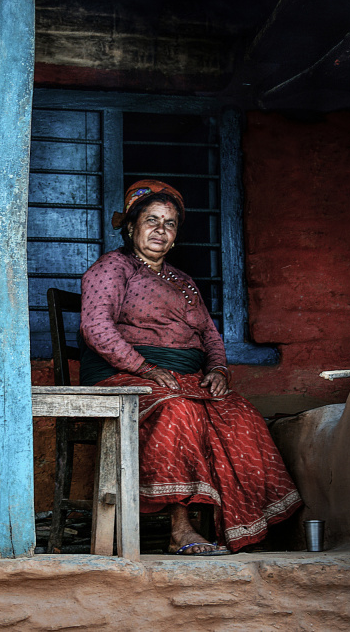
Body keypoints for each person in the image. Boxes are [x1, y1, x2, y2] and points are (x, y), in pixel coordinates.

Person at [79, 179, 301, 555]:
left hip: (185, 377)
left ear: (176, 234)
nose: (160, 231)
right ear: (131, 227)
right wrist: (145, 367)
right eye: (151, 221)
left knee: (241, 414)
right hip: (127, 376)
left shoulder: (183, 281)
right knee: (181, 411)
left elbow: (211, 336)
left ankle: (243, 529)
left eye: (169, 224)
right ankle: (180, 530)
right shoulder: (113, 268)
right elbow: (95, 328)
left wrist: (218, 371)